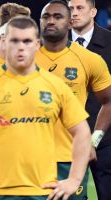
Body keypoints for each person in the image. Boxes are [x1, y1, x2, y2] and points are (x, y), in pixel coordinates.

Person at [0, 16, 91, 200]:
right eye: (15, 40)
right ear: (4, 43)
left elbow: (82, 132)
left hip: (42, 192)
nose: (21, 46)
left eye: (27, 41)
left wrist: (74, 179)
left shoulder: (55, 86)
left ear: (37, 44)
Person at [36, 1, 111, 199]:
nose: (51, 21)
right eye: (46, 17)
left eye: (58, 16)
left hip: (95, 147)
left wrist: (93, 140)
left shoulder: (92, 57)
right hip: (33, 153)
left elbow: (109, 100)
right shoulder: (23, 56)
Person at [68, 1, 111, 198]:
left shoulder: (110, 43)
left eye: (79, 8)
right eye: (70, 9)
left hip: (106, 141)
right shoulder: (52, 45)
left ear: (93, 12)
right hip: (64, 143)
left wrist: (94, 140)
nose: (74, 13)